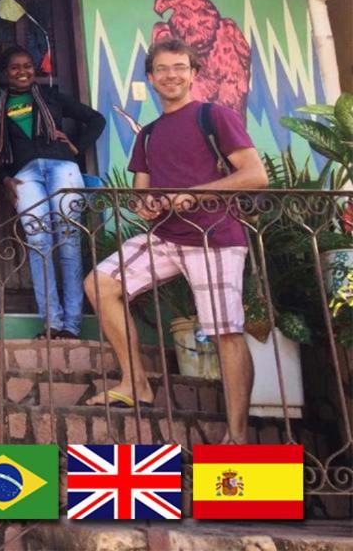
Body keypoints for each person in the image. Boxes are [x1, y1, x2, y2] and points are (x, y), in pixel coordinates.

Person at [84, 38, 267, 444]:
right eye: (163, 69)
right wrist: (147, 206)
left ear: (193, 73)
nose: (172, 75)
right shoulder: (147, 134)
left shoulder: (212, 116)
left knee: (226, 332)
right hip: (166, 235)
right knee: (101, 283)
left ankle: (236, 436)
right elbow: (140, 193)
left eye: (180, 67)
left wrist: (195, 193)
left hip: (213, 236)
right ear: (151, 78)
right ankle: (136, 384)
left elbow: (255, 174)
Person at [0, 46, 106, 339]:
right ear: (5, 74)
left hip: (62, 169)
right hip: (24, 175)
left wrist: (76, 146)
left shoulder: (52, 97)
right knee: (38, 242)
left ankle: (71, 325)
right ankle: (52, 323)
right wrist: (4, 179)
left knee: (67, 242)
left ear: (35, 69)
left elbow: (96, 119)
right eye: (15, 67)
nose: (22, 72)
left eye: (27, 66)